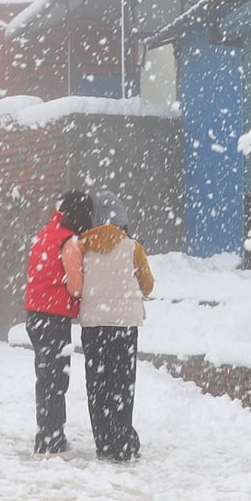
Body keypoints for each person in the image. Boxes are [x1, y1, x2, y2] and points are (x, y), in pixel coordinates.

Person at [61, 192, 153, 462]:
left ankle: (103, 441)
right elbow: (148, 285)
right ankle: (122, 441)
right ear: (122, 221)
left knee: (97, 383)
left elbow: (75, 281)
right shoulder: (133, 247)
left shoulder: (83, 246)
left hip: (93, 325)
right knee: (122, 384)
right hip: (124, 325)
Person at [22, 190, 94, 454]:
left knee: (45, 376)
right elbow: (75, 285)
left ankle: (46, 433)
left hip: (35, 315)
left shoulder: (45, 233)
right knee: (56, 379)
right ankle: (53, 437)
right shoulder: (69, 241)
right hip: (54, 317)